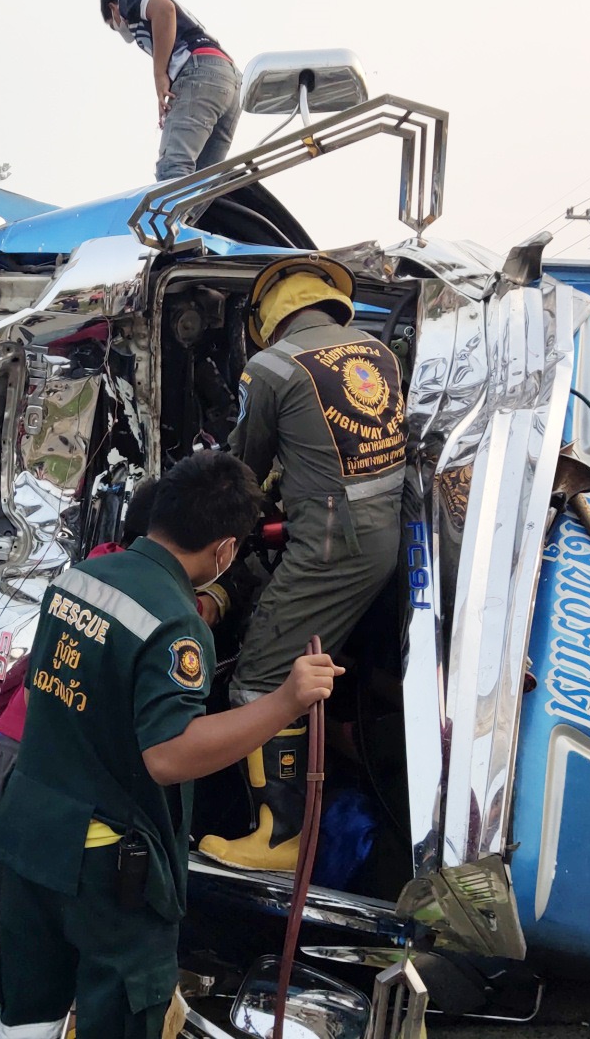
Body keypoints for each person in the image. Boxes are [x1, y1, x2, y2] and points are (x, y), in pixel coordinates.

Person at [0, 451, 341, 1039]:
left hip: (29, 836)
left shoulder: (78, 578)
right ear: (226, 549)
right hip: (102, 868)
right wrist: (286, 701)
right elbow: (169, 755)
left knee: (28, 1011)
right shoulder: (176, 625)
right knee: (128, 1013)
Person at [0, 483, 190, 1039]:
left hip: (0, 761)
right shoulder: (152, 600)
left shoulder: (80, 580)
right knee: (70, 949)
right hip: (51, 778)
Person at [200, 255, 405, 872]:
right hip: (388, 535)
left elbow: (246, 465)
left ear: (269, 317)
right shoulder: (379, 353)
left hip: (330, 546)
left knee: (262, 675)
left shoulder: (271, 366)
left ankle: (281, 837)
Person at [100, 0, 242, 182]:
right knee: (202, 182)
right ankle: (188, 216)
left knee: (173, 168)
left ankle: (173, 214)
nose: (119, 29)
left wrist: (159, 75)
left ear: (113, 9)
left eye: (113, 26)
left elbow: (164, 10)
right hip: (229, 81)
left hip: (201, 70)